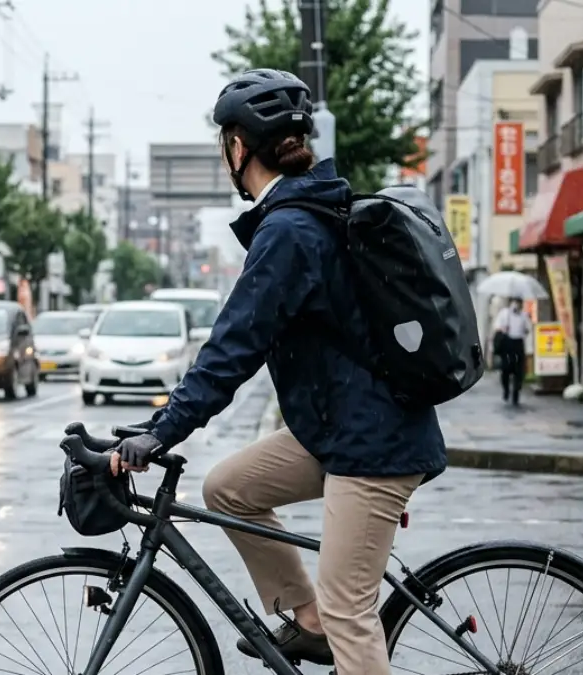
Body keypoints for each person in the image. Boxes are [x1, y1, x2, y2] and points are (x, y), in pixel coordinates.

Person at [108, 69, 446, 675]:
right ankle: (307, 621)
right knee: (229, 489)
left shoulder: (289, 230)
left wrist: (164, 431)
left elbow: (234, 345)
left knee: (351, 609)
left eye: (223, 147)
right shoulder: (302, 214)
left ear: (238, 149)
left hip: (372, 442)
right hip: (340, 428)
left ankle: (328, 622)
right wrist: (161, 424)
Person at [494, 297, 532, 405]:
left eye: (519, 302)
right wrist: (503, 328)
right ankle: (506, 389)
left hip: (518, 343)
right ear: (511, 302)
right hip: (507, 342)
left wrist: (525, 329)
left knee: (519, 370)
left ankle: (516, 392)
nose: (517, 305)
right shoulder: (504, 313)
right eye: (515, 302)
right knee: (505, 369)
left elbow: (528, 329)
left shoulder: (524, 315)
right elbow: (497, 327)